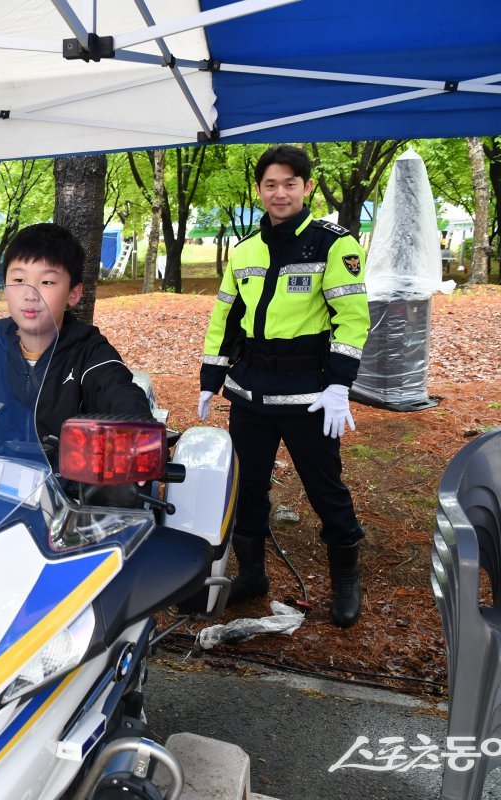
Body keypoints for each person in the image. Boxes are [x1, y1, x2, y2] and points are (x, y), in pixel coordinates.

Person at [198, 145, 370, 629]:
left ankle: (346, 578)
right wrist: (211, 378)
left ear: (307, 187)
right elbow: (226, 316)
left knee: (325, 488)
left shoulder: (335, 245)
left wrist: (339, 386)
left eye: (290, 184)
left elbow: (353, 319)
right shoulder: (245, 250)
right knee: (247, 486)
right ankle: (252, 575)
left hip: (309, 396)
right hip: (250, 392)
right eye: (271, 184)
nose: (280, 193)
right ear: (259, 190)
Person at [0, 222, 153, 455]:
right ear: (5, 288)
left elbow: (121, 396)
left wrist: (140, 439)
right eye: (19, 281)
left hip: (67, 477)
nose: (30, 295)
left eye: (47, 282)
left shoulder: (89, 353)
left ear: (73, 294)